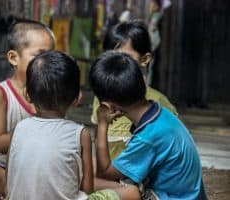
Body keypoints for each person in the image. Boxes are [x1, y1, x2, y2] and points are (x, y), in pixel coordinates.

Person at [6, 50, 139, 200]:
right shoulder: (80, 134)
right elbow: (87, 190)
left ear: (27, 94)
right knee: (132, 193)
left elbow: (8, 181)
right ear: (77, 98)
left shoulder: (18, 128)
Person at [89, 51, 207, 199]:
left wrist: (102, 124)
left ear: (110, 107)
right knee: (88, 170)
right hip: (183, 194)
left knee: (88, 182)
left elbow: (105, 172)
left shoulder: (149, 137)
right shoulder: (160, 114)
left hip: (170, 196)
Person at [0, 20, 55, 199]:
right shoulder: (0, 93)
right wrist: (39, 130)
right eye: (40, 55)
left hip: (37, 169)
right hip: (4, 169)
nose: (47, 63)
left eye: (51, 56)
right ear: (14, 58)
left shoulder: (51, 92)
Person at [91, 21, 177, 159]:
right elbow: (99, 138)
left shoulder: (160, 103)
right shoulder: (101, 98)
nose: (115, 65)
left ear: (145, 59)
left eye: (125, 58)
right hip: (111, 173)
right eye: (110, 57)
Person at [147, 0, 163, 86]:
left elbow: (152, 29)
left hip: (153, 43)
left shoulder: (156, 16)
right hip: (153, 42)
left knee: (150, 65)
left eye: (152, 3)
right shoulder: (154, 15)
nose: (150, 5)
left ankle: (148, 84)